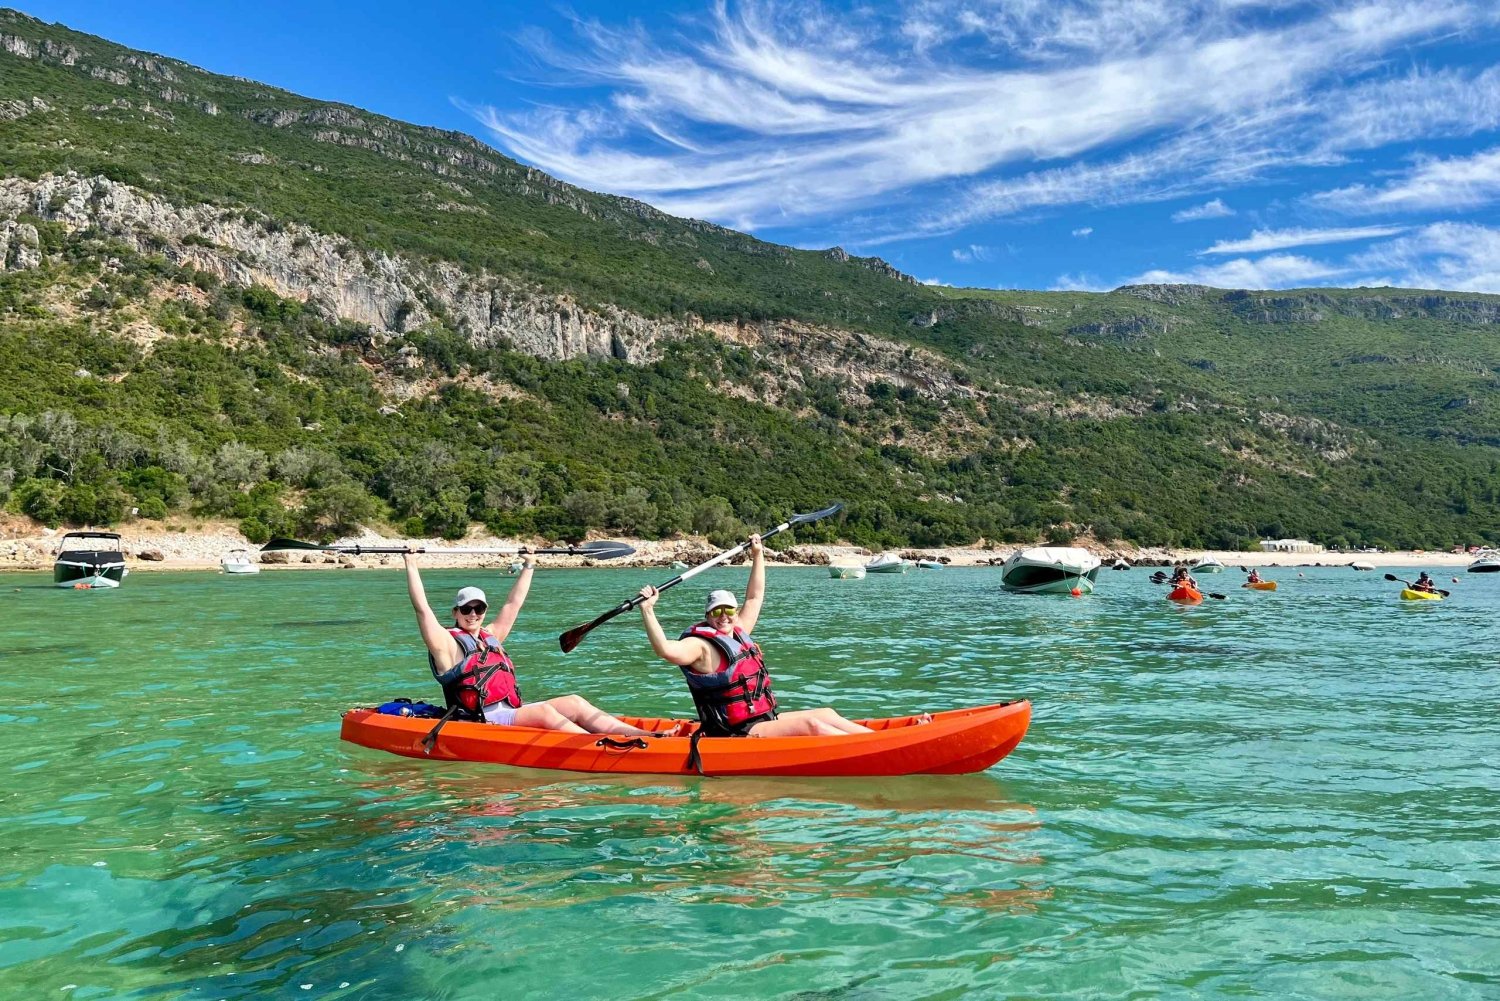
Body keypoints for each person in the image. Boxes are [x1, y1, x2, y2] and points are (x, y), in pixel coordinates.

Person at [635, 535, 901, 737]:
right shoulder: (699, 646)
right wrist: (648, 610)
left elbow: (755, 596)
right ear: (707, 616)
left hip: (762, 720)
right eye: (716, 612)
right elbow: (665, 650)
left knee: (826, 713)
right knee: (812, 725)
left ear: (734, 611)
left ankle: (879, 739)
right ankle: (874, 749)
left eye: (728, 610)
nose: (723, 616)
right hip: (736, 731)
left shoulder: (738, 632)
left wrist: (758, 554)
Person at [405, 552, 658, 735]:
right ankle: (600, 747)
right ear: (455, 612)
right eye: (466, 609)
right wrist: (411, 563)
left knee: (574, 702)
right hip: (482, 719)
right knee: (543, 713)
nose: (473, 614)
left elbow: (513, 604)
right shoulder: (446, 645)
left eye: (478, 608)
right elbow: (422, 609)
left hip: (510, 711)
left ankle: (642, 736)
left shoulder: (491, 635)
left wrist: (529, 565)